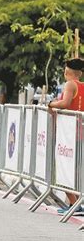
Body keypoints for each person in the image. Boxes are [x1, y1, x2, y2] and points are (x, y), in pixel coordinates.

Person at [48, 58, 84, 216]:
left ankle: (75, 204)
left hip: (69, 133)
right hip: (79, 132)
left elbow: (65, 103)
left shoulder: (70, 84)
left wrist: (51, 104)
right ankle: (75, 204)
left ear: (67, 71)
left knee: (61, 169)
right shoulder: (82, 85)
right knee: (73, 169)